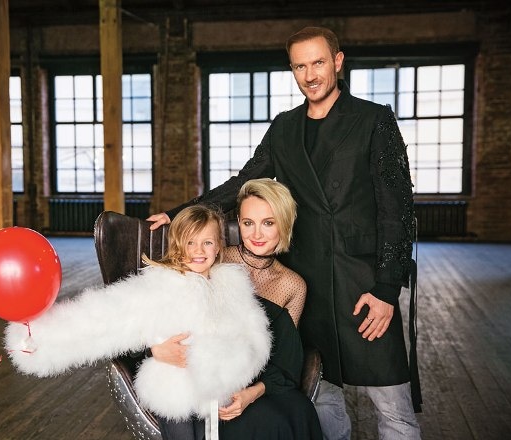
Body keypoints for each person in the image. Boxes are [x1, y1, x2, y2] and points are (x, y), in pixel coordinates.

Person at [148, 26, 421, 440]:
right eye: (300, 66)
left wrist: (386, 288)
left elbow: (396, 209)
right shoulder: (284, 127)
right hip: (308, 278)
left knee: (393, 406)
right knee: (323, 400)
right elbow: (243, 183)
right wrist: (179, 214)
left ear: (337, 62)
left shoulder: (373, 119)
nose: (310, 75)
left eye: (318, 63)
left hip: (362, 283)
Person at [4, 205, 272, 440]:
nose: (198, 251)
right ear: (178, 244)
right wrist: (38, 337)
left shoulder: (232, 284)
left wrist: (236, 372)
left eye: (207, 242)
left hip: (220, 393)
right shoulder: (159, 284)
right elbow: (102, 318)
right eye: (190, 242)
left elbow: (255, 335)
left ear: (219, 246)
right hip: (174, 391)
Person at [151, 178, 323, 439]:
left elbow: (285, 361)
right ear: (238, 223)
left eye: (268, 223)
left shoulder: (293, 285)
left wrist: (251, 394)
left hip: (260, 386)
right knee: (265, 422)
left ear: (284, 224)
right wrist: (156, 348)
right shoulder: (213, 257)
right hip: (208, 385)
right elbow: (153, 306)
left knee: (299, 412)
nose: (256, 234)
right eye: (248, 223)